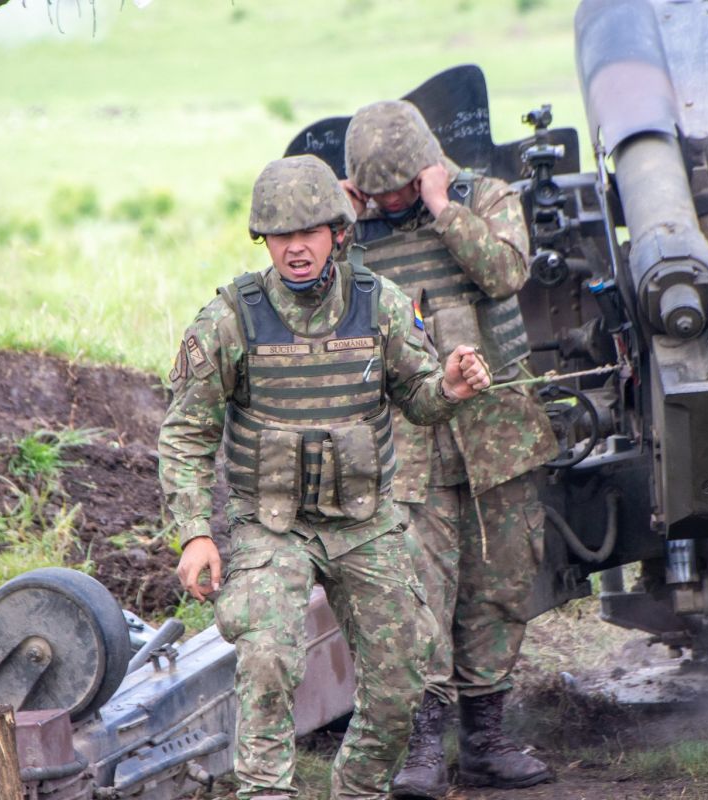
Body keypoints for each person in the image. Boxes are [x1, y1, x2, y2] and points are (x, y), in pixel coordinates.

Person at [159, 154, 492, 800]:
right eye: (280, 236)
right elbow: (186, 431)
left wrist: (449, 385)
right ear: (265, 242)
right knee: (267, 660)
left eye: (308, 232)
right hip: (271, 524)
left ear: (338, 234)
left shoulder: (380, 306)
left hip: (365, 520)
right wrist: (195, 532)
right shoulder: (233, 318)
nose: (294, 249)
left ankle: (360, 787)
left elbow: (419, 397)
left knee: (405, 674)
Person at [342, 100, 559, 797]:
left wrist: (442, 208)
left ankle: (489, 741)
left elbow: (504, 274)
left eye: (400, 188)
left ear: (429, 168)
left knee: (498, 590)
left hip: (497, 438)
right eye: (375, 192)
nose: (388, 203)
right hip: (407, 447)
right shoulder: (349, 233)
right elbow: (315, 308)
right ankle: (425, 749)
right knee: (418, 600)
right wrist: (341, 228)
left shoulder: (484, 198)